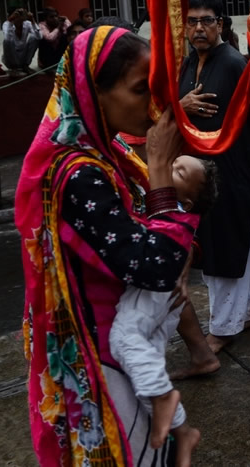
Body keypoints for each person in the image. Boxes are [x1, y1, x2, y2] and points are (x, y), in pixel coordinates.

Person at [18, 25, 201, 466]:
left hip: (120, 345)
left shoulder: (105, 154)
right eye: (141, 91)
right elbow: (155, 264)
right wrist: (160, 167)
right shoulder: (78, 173)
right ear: (91, 93)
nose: (154, 106)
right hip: (101, 358)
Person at [176, 0, 250, 354]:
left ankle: (223, 328)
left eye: (207, 20)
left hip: (232, 172)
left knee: (228, 250)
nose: (199, 28)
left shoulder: (235, 63)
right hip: (202, 175)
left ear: (221, 24)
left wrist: (233, 139)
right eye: (192, 21)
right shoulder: (188, 65)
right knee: (228, 246)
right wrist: (182, 106)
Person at [109, 154, 216, 467]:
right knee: (146, 363)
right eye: (174, 162)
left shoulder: (171, 208)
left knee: (124, 338)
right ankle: (177, 431)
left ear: (186, 198)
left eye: (180, 171)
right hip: (163, 298)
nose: (170, 168)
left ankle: (170, 411)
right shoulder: (167, 200)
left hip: (154, 293)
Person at [2, 8, 39, 74]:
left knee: (34, 38)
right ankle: (14, 68)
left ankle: (26, 66)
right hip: (11, 58)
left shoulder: (27, 23)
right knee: (7, 41)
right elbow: (7, 39)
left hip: (23, 56)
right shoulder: (6, 24)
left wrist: (32, 21)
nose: (20, 17)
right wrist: (10, 20)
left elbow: (39, 37)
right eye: (17, 15)